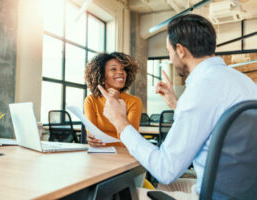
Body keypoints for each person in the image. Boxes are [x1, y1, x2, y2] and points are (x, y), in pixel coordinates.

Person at [97, 14, 257, 199]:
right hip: (243, 191)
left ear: (180, 50)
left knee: (127, 193)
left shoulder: (200, 89)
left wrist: (120, 121)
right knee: (164, 186)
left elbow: (165, 169)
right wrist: (177, 104)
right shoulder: (243, 82)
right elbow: (213, 121)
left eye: (169, 51)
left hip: (214, 194)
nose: (171, 58)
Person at [84, 52, 142, 147]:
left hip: (125, 154)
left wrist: (117, 103)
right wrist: (91, 140)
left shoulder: (134, 102)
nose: (120, 72)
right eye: (113, 69)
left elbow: (130, 141)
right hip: (100, 153)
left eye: (123, 69)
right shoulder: (91, 100)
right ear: (102, 76)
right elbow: (93, 136)